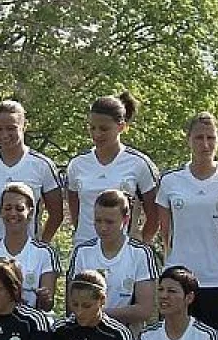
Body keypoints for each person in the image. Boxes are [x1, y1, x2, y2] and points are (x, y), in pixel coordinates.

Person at [155, 112, 218, 332]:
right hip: (178, 277)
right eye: (199, 138)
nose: (205, 144)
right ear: (188, 139)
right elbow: (165, 231)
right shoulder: (170, 181)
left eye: (211, 138)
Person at [0, 99, 63, 246]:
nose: (4, 135)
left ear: (24, 126)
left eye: (11, 128)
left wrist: (41, 245)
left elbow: (56, 214)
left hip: (29, 252)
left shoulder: (42, 166)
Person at [65, 92, 160, 245]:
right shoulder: (77, 164)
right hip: (85, 251)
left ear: (121, 127)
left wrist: (138, 248)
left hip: (124, 253)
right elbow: (76, 215)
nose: (96, 134)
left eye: (104, 129)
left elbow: (154, 217)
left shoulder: (139, 163)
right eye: (92, 128)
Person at [66, 189, 158, 329]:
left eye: (110, 222)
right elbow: (71, 304)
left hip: (127, 336)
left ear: (125, 220)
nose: (103, 228)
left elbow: (144, 310)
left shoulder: (140, 253)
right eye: (98, 221)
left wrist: (98, 314)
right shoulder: (82, 252)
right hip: (85, 332)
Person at [0, 183, 60, 312]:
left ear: (30, 212)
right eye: (7, 208)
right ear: (0, 211)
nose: (13, 213)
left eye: (19, 208)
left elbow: (48, 305)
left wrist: (45, 297)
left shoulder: (44, 253)